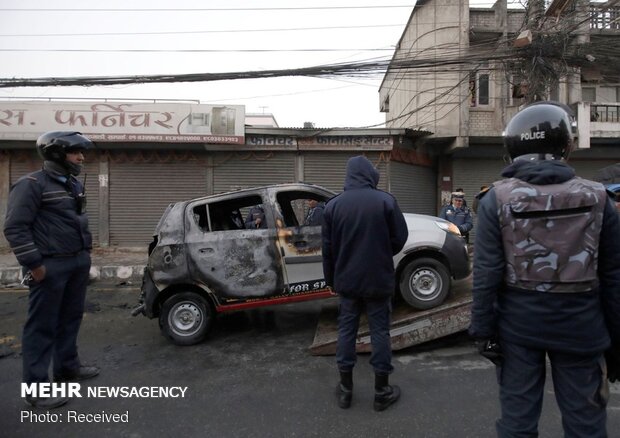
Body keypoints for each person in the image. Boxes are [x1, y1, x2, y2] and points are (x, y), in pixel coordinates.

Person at [469, 102, 620, 437]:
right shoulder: (599, 198)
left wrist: (482, 330)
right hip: (583, 329)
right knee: (586, 425)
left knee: (518, 424)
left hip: (519, 329)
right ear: (565, 144)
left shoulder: (497, 200)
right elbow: (613, 277)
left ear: (514, 148)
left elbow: (486, 274)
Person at [4, 131, 101, 409]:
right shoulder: (31, 185)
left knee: (70, 319)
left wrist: (85, 257)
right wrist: (34, 264)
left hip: (77, 262)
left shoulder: (72, 184)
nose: (82, 158)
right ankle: (36, 390)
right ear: (58, 154)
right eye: (76, 153)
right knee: (41, 327)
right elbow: (15, 227)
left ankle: (67, 369)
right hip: (50, 265)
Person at [322, 155, 409, 412]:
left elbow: (328, 250)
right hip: (378, 279)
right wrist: (381, 252)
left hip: (347, 281)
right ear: (370, 175)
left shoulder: (333, 206)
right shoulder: (385, 201)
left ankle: (346, 391)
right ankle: (381, 392)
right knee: (380, 332)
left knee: (346, 331)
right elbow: (400, 238)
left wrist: (331, 280)